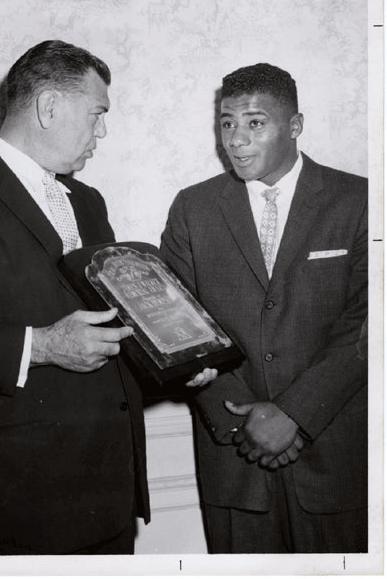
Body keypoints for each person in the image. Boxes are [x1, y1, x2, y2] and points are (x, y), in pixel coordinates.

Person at [0, 39, 151, 555]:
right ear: (49, 106)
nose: (103, 131)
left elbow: (106, 322)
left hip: (109, 493)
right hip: (13, 503)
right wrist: (43, 345)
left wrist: (175, 358)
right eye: (97, 113)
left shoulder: (88, 200)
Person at [161, 63, 367, 553]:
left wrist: (294, 413)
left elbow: (369, 322)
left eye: (255, 123)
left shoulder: (360, 199)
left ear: (294, 126)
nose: (236, 139)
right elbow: (175, 324)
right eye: (227, 123)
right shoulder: (193, 207)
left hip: (337, 457)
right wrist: (245, 420)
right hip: (235, 461)